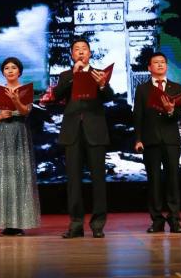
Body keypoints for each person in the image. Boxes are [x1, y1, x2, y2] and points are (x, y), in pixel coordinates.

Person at [53, 38, 113, 238]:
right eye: (77, 49)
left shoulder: (99, 73)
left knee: (98, 180)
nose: (80, 52)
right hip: (72, 132)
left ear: (90, 53)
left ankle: (98, 225)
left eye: (84, 49)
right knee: (74, 181)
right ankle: (76, 224)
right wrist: (74, 75)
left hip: (95, 131)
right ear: (72, 55)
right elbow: (57, 95)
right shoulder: (66, 75)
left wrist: (103, 85)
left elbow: (109, 97)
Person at [0, 57, 40, 235]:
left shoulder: (25, 90)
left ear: (19, 71)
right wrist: (0, 116)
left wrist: (16, 101)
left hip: (19, 132)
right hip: (1, 133)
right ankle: (4, 221)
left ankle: (19, 222)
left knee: (20, 174)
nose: (10, 70)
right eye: (6, 68)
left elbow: (26, 111)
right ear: (3, 72)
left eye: (13, 67)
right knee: (3, 176)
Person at [133, 52, 181, 233]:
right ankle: (156, 220)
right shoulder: (142, 89)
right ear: (149, 67)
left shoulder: (176, 87)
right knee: (154, 181)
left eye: (163, 62)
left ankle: (174, 219)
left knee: (173, 181)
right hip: (150, 140)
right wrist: (138, 139)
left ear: (166, 66)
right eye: (156, 62)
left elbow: (179, 114)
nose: (160, 65)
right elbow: (137, 115)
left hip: (171, 140)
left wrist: (171, 110)